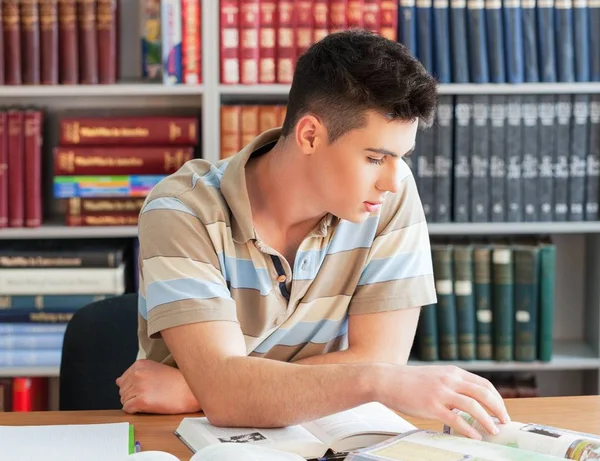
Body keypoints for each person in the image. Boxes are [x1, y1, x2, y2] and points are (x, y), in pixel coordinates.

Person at [116, 29, 509, 440]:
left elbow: (379, 357)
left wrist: (200, 388)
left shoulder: (390, 197)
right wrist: (370, 381)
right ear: (309, 135)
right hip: (186, 440)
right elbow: (229, 396)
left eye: (401, 157)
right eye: (375, 158)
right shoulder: (182, 212)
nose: (392, 180)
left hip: (326, 437)